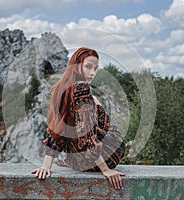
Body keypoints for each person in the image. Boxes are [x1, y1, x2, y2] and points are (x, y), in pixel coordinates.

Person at [31, 47, 126, 190]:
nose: (92, 73)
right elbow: (86, 135)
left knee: (91, 102)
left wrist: (46, 166)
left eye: (95, 68)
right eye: (88, 67)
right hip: (105, 156)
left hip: (77, 162)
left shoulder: (62, 89)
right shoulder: (82, 88)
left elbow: (57, 129)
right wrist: (106, 170)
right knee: (93, 101)